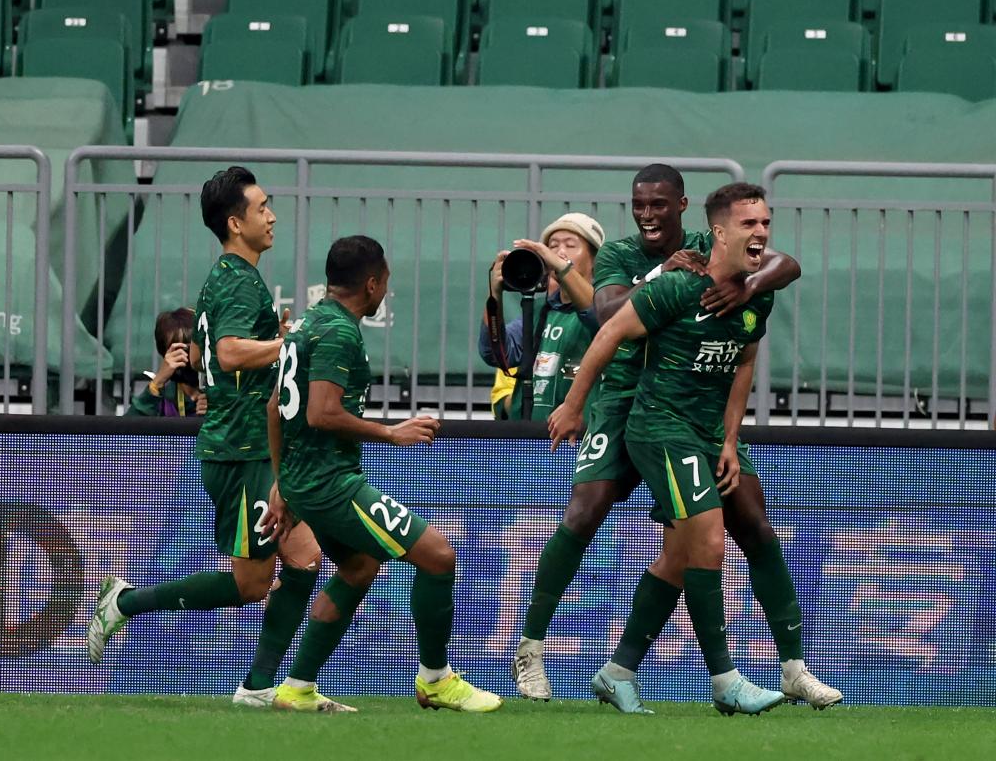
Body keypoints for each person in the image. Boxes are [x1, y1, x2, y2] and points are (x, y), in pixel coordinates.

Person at [512, 165, 831, 709]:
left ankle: (787, 669)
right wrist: (661, 273)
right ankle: (531, 648)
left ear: (683, 206)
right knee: (586, 512)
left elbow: (785, 268)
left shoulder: (719, 248)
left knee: (734, 531)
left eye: (658, 204)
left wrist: (745, 284)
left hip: (696, 409)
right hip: (628, 399)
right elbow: (608, 315)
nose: (647, 213)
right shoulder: (623, 255)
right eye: (639, 204)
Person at [88, 167, 322, 708]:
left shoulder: (231, 276)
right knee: (252, 584)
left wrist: (274, 343)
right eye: (262, 207)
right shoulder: (237, 279)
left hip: (253, 445)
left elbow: (213, 352)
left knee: (305, 558)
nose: (272, 216)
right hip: (241, 450)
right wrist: (290, 344)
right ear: (235, 223)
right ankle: (125, 603)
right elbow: (229, 352)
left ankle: (260, 686)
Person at [268, 235, 502, 713]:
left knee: (359, 566)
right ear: (372, 284)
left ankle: (297, 687)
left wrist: (281, 481)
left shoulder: (306, 323)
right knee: (437, 555)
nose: (385, 292)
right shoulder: (339, 332)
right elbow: (320, 413)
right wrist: (391, 433)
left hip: (303, 480)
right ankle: (436, 680)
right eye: (386, 283)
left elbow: (275, 407)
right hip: (329, 483)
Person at [478, 213, 604, 420]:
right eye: (553, 246)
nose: (560, 252)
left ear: (594, 260)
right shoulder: (539, 310)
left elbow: (599, 317)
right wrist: (495, 294)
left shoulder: (608, 307)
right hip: (531, 434)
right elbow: (495, 354)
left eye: (570, 245)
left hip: (581, 434)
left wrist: (563, 268)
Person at [126, 308, 207, 417]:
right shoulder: (162, 396)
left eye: (195, 347)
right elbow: (126, 426)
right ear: (166, 354)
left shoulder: (223, 390)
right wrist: (157, 382)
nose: (190, 356)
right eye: (181, 350)